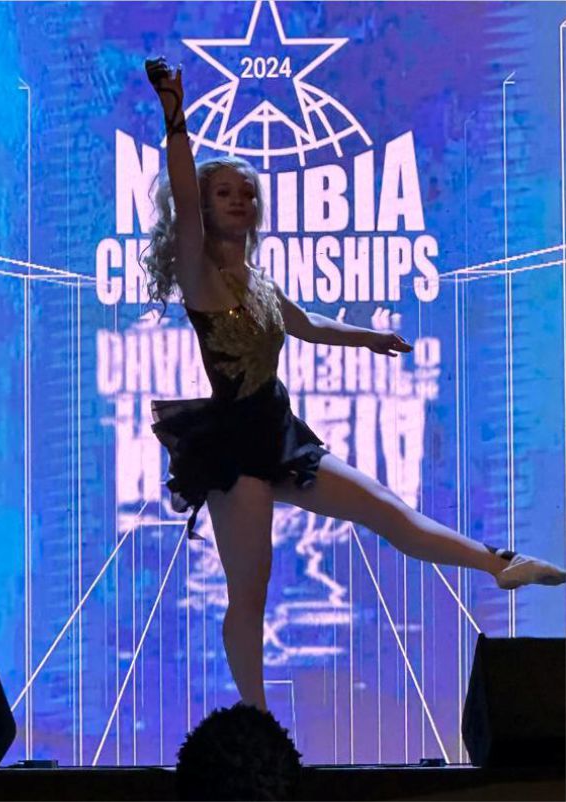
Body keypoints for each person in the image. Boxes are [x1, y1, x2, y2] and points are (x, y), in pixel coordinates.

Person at [142, 57, 566, 714]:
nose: (238, 200)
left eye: (246, 194)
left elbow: (306, 324)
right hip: (232, 451)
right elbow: (180, 178)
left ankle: (499, 563)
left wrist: (370, 338)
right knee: (249, 595)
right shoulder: (199, 273)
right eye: (224, 192)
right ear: (202, 205)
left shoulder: (257, 283)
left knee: (391, 515)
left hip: (281, 434)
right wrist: (175, 110)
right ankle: (256, 720)